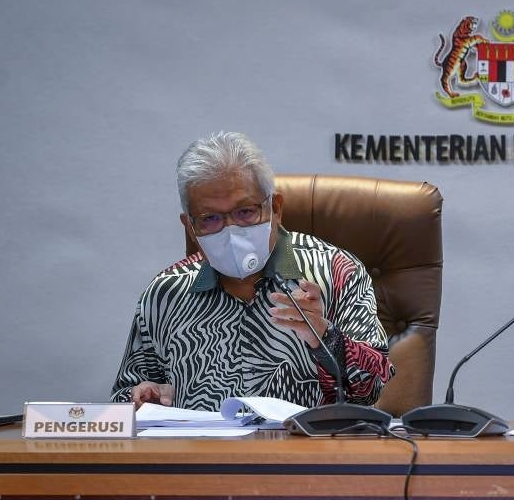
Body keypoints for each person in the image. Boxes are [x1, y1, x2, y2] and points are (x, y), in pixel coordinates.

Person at [111, 132, 393, 410]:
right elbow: (126, 396)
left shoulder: (336, 271)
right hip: (201, 454)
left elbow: (373, 389)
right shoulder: (166, 293)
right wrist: (143, 398)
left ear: (276, 208)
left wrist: (326, 338)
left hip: (307, 453)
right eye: (210, 219)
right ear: (190, 227)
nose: (231, 230)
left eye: (245, 211)